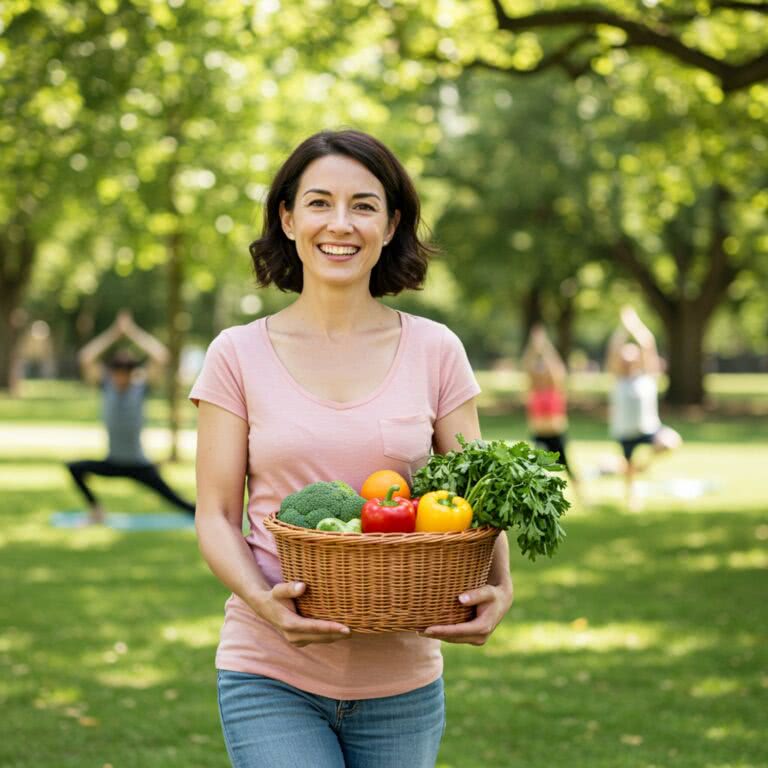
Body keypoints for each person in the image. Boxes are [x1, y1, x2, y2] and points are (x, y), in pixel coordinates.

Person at [190, 129, 514, 768]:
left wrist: (501, 587)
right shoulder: (237, 354)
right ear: (287, 218)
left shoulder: (435, 350)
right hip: (269, 668)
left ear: (391, 225)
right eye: (318, 202)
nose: (341, 223)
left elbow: (481, 494)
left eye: (363, 205)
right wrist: (266, 605)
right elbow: (217, 516)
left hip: (403, 678)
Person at [66, 310, 196, 524]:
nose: (120, 376)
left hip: (138, 464)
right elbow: (85, 357)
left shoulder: (140, 388)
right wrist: (114, 334)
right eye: (116, 371)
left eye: (124, 372)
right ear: (112, 372)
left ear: (131, 372)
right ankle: (96, 510)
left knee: (180, 503)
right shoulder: (106, 386)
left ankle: (203, 515)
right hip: (113, 461)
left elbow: (161, 356)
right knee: (74, 468)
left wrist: (132, 332)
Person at [605, 305, 682, 510]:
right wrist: (623, 329)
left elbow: (648, 343)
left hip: (648, 428)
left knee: (671, 442)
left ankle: (643, 466)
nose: (628, 357)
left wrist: (634, 324)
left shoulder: (648, 376)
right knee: (628, 469)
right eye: (625, 355)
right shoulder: (618, 378)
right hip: (625, 431)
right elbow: (613, 348)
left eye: (632, 354)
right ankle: (632, 497)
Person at [522, 323, 580, 496]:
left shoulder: (556, 388)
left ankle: (582, 495)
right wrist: (534, 346)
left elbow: (557, 367)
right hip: (539, 435)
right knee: (533, 471)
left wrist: (545, 346)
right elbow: (526, 364)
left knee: (568, 467)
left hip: (556, 435)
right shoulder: (533, 389)